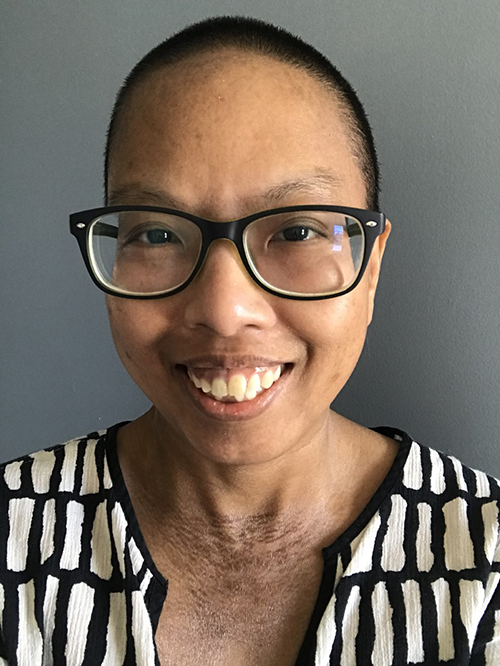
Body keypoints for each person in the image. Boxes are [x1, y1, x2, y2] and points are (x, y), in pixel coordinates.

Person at [0, 15, 499, 666]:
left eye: (295, 233)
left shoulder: (485, 562)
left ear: (370, 267)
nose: (225, 311)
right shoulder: (13, 538)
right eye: (155, 233)